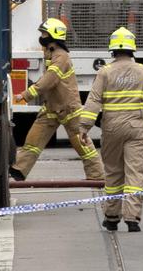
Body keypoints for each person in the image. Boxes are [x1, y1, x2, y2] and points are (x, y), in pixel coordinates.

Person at [78, 27, 143, 233]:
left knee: (113, 173)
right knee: (135, 174)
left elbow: (94, 101)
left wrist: (84, 127)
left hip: (112, 128)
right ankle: (132, 219)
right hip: (137, 128)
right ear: (132, 48)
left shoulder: (105, 72)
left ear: (112, 50)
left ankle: (111, 217)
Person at [10, 18, 103, 182]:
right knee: (33, 141)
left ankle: (96, 175)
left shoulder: (61, 56)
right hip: (51, 108)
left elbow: (50, 79)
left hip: (69, 108)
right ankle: (19, 170)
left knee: (81, 143)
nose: (42, 36)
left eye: (44, 33)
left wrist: (26, 94)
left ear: (53, 35)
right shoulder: (51, 53)